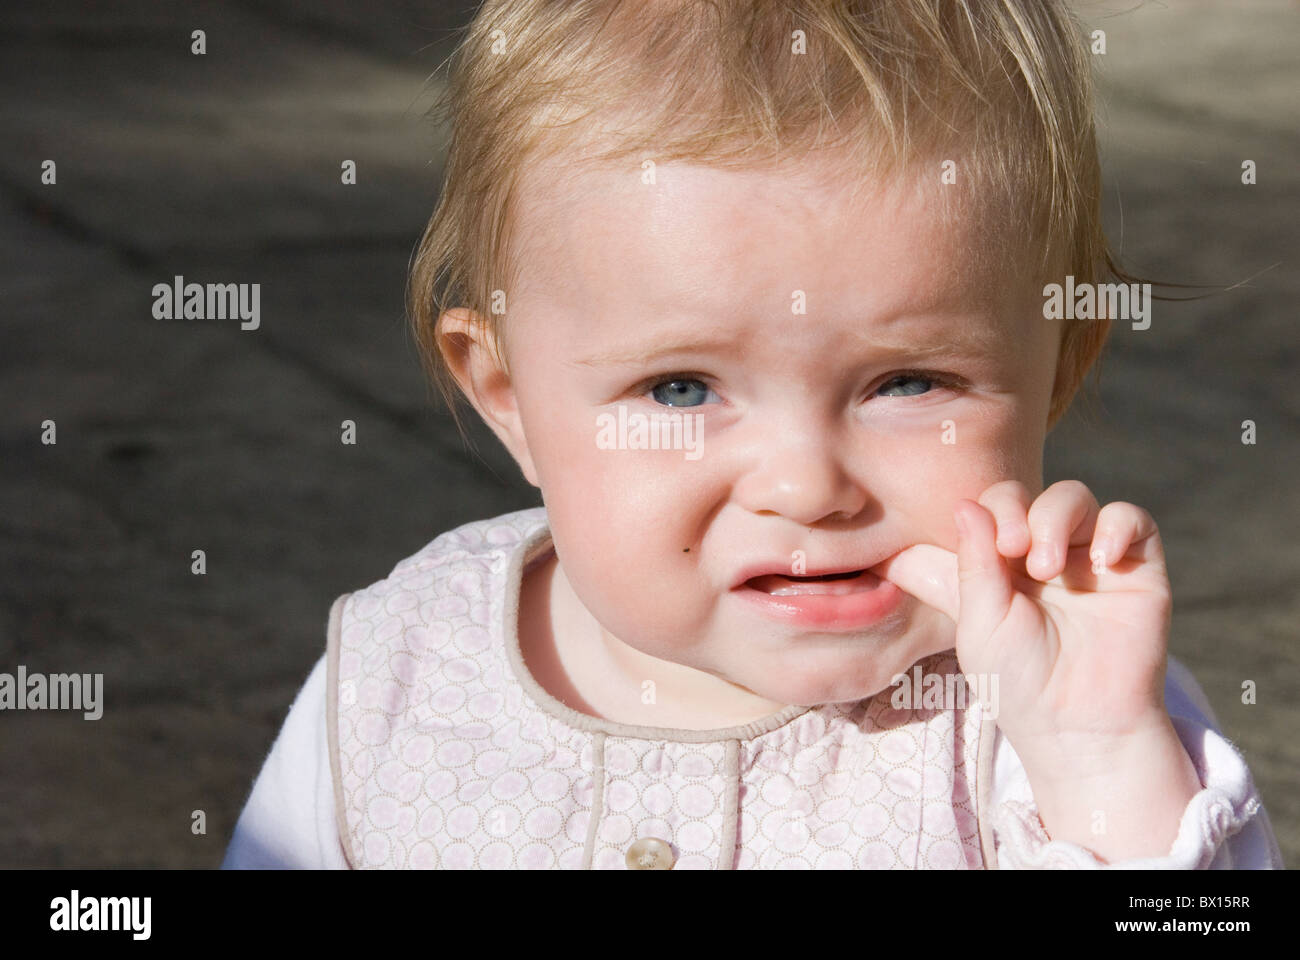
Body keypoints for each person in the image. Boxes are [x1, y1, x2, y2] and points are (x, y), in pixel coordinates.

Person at [222, 0, 1283, 869]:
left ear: (1058, 370)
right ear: (510, 401)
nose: (806, 485)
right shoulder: (398, 676)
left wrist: (1099, 763)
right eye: (680, 389)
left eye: (907, 381)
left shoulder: (1053, 697)